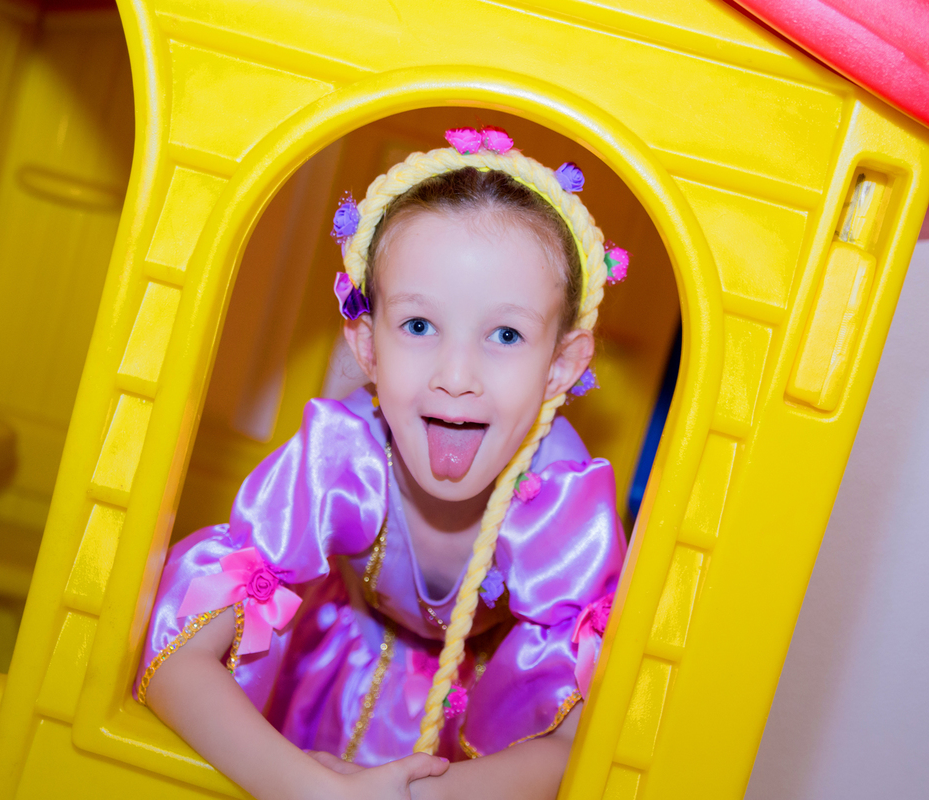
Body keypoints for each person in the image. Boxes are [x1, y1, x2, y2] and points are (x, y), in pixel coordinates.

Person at [136, 126, 632, 800]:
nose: (456, 376)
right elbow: (176, 658)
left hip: (484, 734)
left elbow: (576, 743)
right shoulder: (343, 457)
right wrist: (312, 789)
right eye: (419, 326)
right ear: (366, 346)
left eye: (507, 334)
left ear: (562, 366)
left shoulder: (562, 504)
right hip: (333, 675)